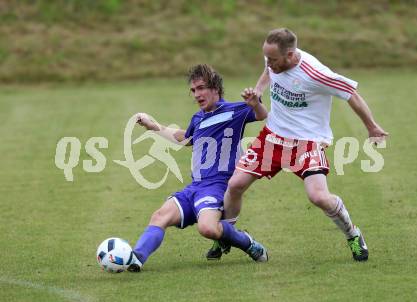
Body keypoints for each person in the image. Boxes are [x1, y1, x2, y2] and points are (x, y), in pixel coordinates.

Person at [207, 28, 389, 262]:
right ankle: (225, 237)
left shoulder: (315, 74)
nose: (269, 63)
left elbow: (351, 93)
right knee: (235, 184)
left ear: (290, 54)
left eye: (273, 59)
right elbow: (267, 72)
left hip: (307, 142)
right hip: (273, 136)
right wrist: (259, 92)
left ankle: (353, 234)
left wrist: (371, 126)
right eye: (267, 58)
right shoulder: (272, 59)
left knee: (319, 197)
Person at [127, 64, 269, 272]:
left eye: (201, 88)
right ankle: (136, 258)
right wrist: (153, 126)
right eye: (193, 90)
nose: (197, 94)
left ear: (215, 89)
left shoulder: (235, 111)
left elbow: (261, 115)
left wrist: (255, 104)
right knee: (160, 216)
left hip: (217, 187)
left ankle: (247, 243)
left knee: (208, 228)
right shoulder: (198, 118)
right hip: (194, 187)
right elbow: (186, 139)